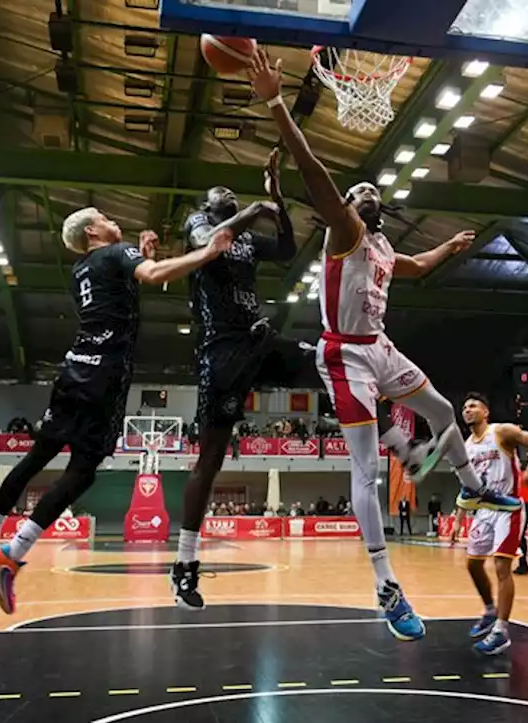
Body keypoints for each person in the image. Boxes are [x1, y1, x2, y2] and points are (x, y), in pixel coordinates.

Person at [246, 48, 521, 641]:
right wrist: (275, 101)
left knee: (445, 411)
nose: (366, 191)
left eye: (373, 190)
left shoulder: (383, 250)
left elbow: (416, 264)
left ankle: (475, 494)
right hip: (344, 353)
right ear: (344, 207)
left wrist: (448, 249)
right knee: (366, 472)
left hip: (381, 346)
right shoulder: (343, 232)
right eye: (357, 189)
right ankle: (386, 586)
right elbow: (314, 166)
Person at [0, 212, 232, 615]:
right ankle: (12, 554)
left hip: (73, 370)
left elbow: (123, 299)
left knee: (37, 457)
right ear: (91, 231)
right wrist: (208, 252)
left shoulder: (81, 270)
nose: (111, 220)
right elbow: (154, 275)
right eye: (102, 217)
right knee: (82, 472)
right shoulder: (116, 252)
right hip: (104, 378)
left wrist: (141, 256)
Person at [170, 148, 315, 610]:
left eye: (233, 194)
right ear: (209, 205)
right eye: (221, 193)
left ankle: (401, 443)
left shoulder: (249, 241)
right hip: (221, 352)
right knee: (210, 460)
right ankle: (185, 566)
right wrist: (257, 207)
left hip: (258, 340)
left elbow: (289, 250)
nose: (227, 193)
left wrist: (280, 204)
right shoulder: (200, 224)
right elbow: (206, 244)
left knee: (326, 361)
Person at [461, 392, 528, 655]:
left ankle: (501, 631)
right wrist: (458, 519)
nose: (468, 410)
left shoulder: (501, 431)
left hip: (508, 507)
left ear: (486, 412)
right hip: (483, 510)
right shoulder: (466, 446)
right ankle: (489, 610)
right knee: (473, 564)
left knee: (501, 566)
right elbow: (468, 487)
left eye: (473, 406)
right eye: (465, 407)